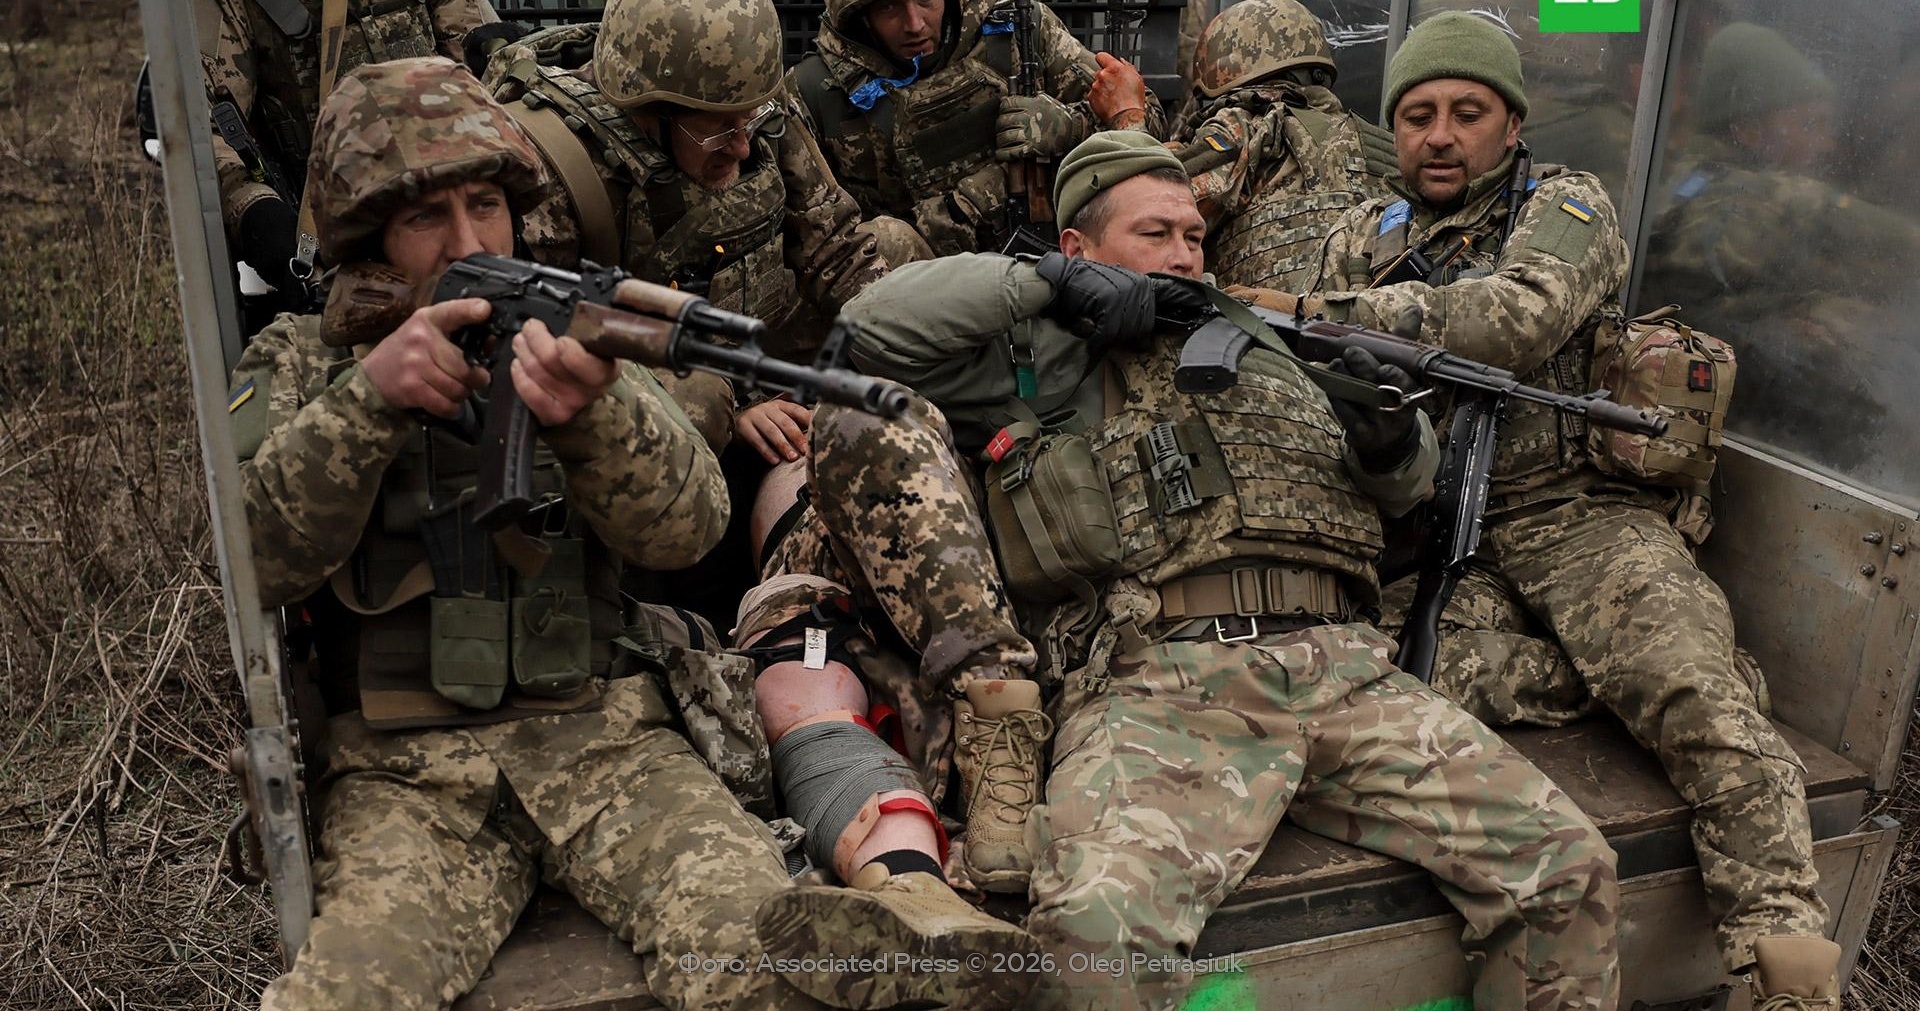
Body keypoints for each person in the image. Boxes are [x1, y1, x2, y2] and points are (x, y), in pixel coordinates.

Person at [762, 129, 1623, 1010]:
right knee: (1096, 935)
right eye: (1154, 234)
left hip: (1348, 668)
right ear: (1078, 246)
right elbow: (872, 327)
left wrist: (1394, 438)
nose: (1183, 255)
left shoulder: (1270, 345)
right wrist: (1049, 285)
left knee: (1567, 867)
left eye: (1194, 236)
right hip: (1165, 679)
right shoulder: (1042, 352)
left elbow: (1405, 491)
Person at [226, 55, 940, 1011]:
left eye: (487, 205)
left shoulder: (565, 333)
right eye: (426, 216)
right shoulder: (298, 365)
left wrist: (594, 414)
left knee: (767, 962)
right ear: (367, 236)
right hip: (404, 777)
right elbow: (252, 564)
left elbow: (689, 530)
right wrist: (370, 399)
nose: (469, 240)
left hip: (609, 745)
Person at [1298, 13, 1843, 1005]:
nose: (1440, 135)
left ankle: (1790, 966)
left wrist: (1323, 317)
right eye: (1417, 115)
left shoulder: (1566, 204)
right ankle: (1593, 682)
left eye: (1468, 111)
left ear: (1512, 123)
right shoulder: (1359, 236)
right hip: (1443, 527)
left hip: (1578, 516)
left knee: (1698, 703)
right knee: (1383, 678)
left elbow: (1516, 319)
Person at [483, 0, 901, 460]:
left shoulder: (742, 99)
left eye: (749, 120)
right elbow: (543, 340)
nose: (742, 148)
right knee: (699, 399)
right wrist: (740, 407)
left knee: (895, 256)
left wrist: (898, 341)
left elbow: (834, 243)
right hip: (651, 369)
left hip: (763, 334)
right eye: (718, 132)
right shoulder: (559, 169)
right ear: (649, 111)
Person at [786, 0, 1167, 258]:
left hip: (1055, 248)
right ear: (858, 14)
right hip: (916, 280)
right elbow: (814, 243)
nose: (914, 24)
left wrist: (1071, 127)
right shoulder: (816, 90)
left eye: (926, 0)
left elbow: (1147, 124)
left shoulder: (1017, 29)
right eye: (889, 7)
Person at [200, 0, 508, 310]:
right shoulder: (238, 7)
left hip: (458, 186)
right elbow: (200, 126)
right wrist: (255, 206)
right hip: (339, 233)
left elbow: (482, 57)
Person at [1168, 0, 1394, 292]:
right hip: (1368, 319)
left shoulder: (1246, 124)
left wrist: (1131, 118)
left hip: (1257, 317)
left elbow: (1153, 206)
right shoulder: (1387, 148)